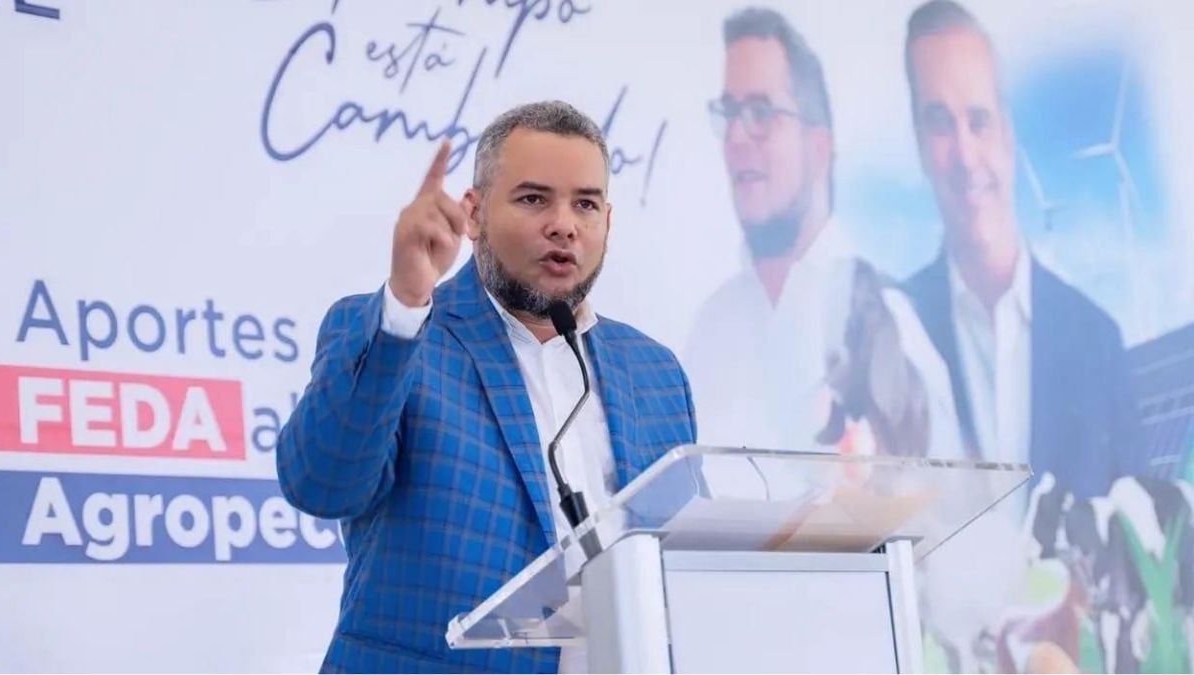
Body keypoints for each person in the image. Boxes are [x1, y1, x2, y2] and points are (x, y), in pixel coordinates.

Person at [276, 101, 697, 673]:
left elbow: (685, 567)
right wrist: (404, 302)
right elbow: (322, 485)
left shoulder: (655, 371)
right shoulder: (400, 333)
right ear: (473, 215)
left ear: (607, 221)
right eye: (533, 199)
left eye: (586, 204)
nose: (564, 224)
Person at [685, 7, 959, 462]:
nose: (736, 137)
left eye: (760, 113)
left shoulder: (889, 320)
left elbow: (944, 498)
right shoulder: (711, 326)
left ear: (819, 146)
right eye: (728, 113)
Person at [900, 0, 1141, 500]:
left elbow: (1143, 533)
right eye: (940, 123)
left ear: (1008, 134)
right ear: (919, 143)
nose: (965, 155)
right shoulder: (894, 338)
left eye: (979, 120)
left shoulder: (1098, 342)